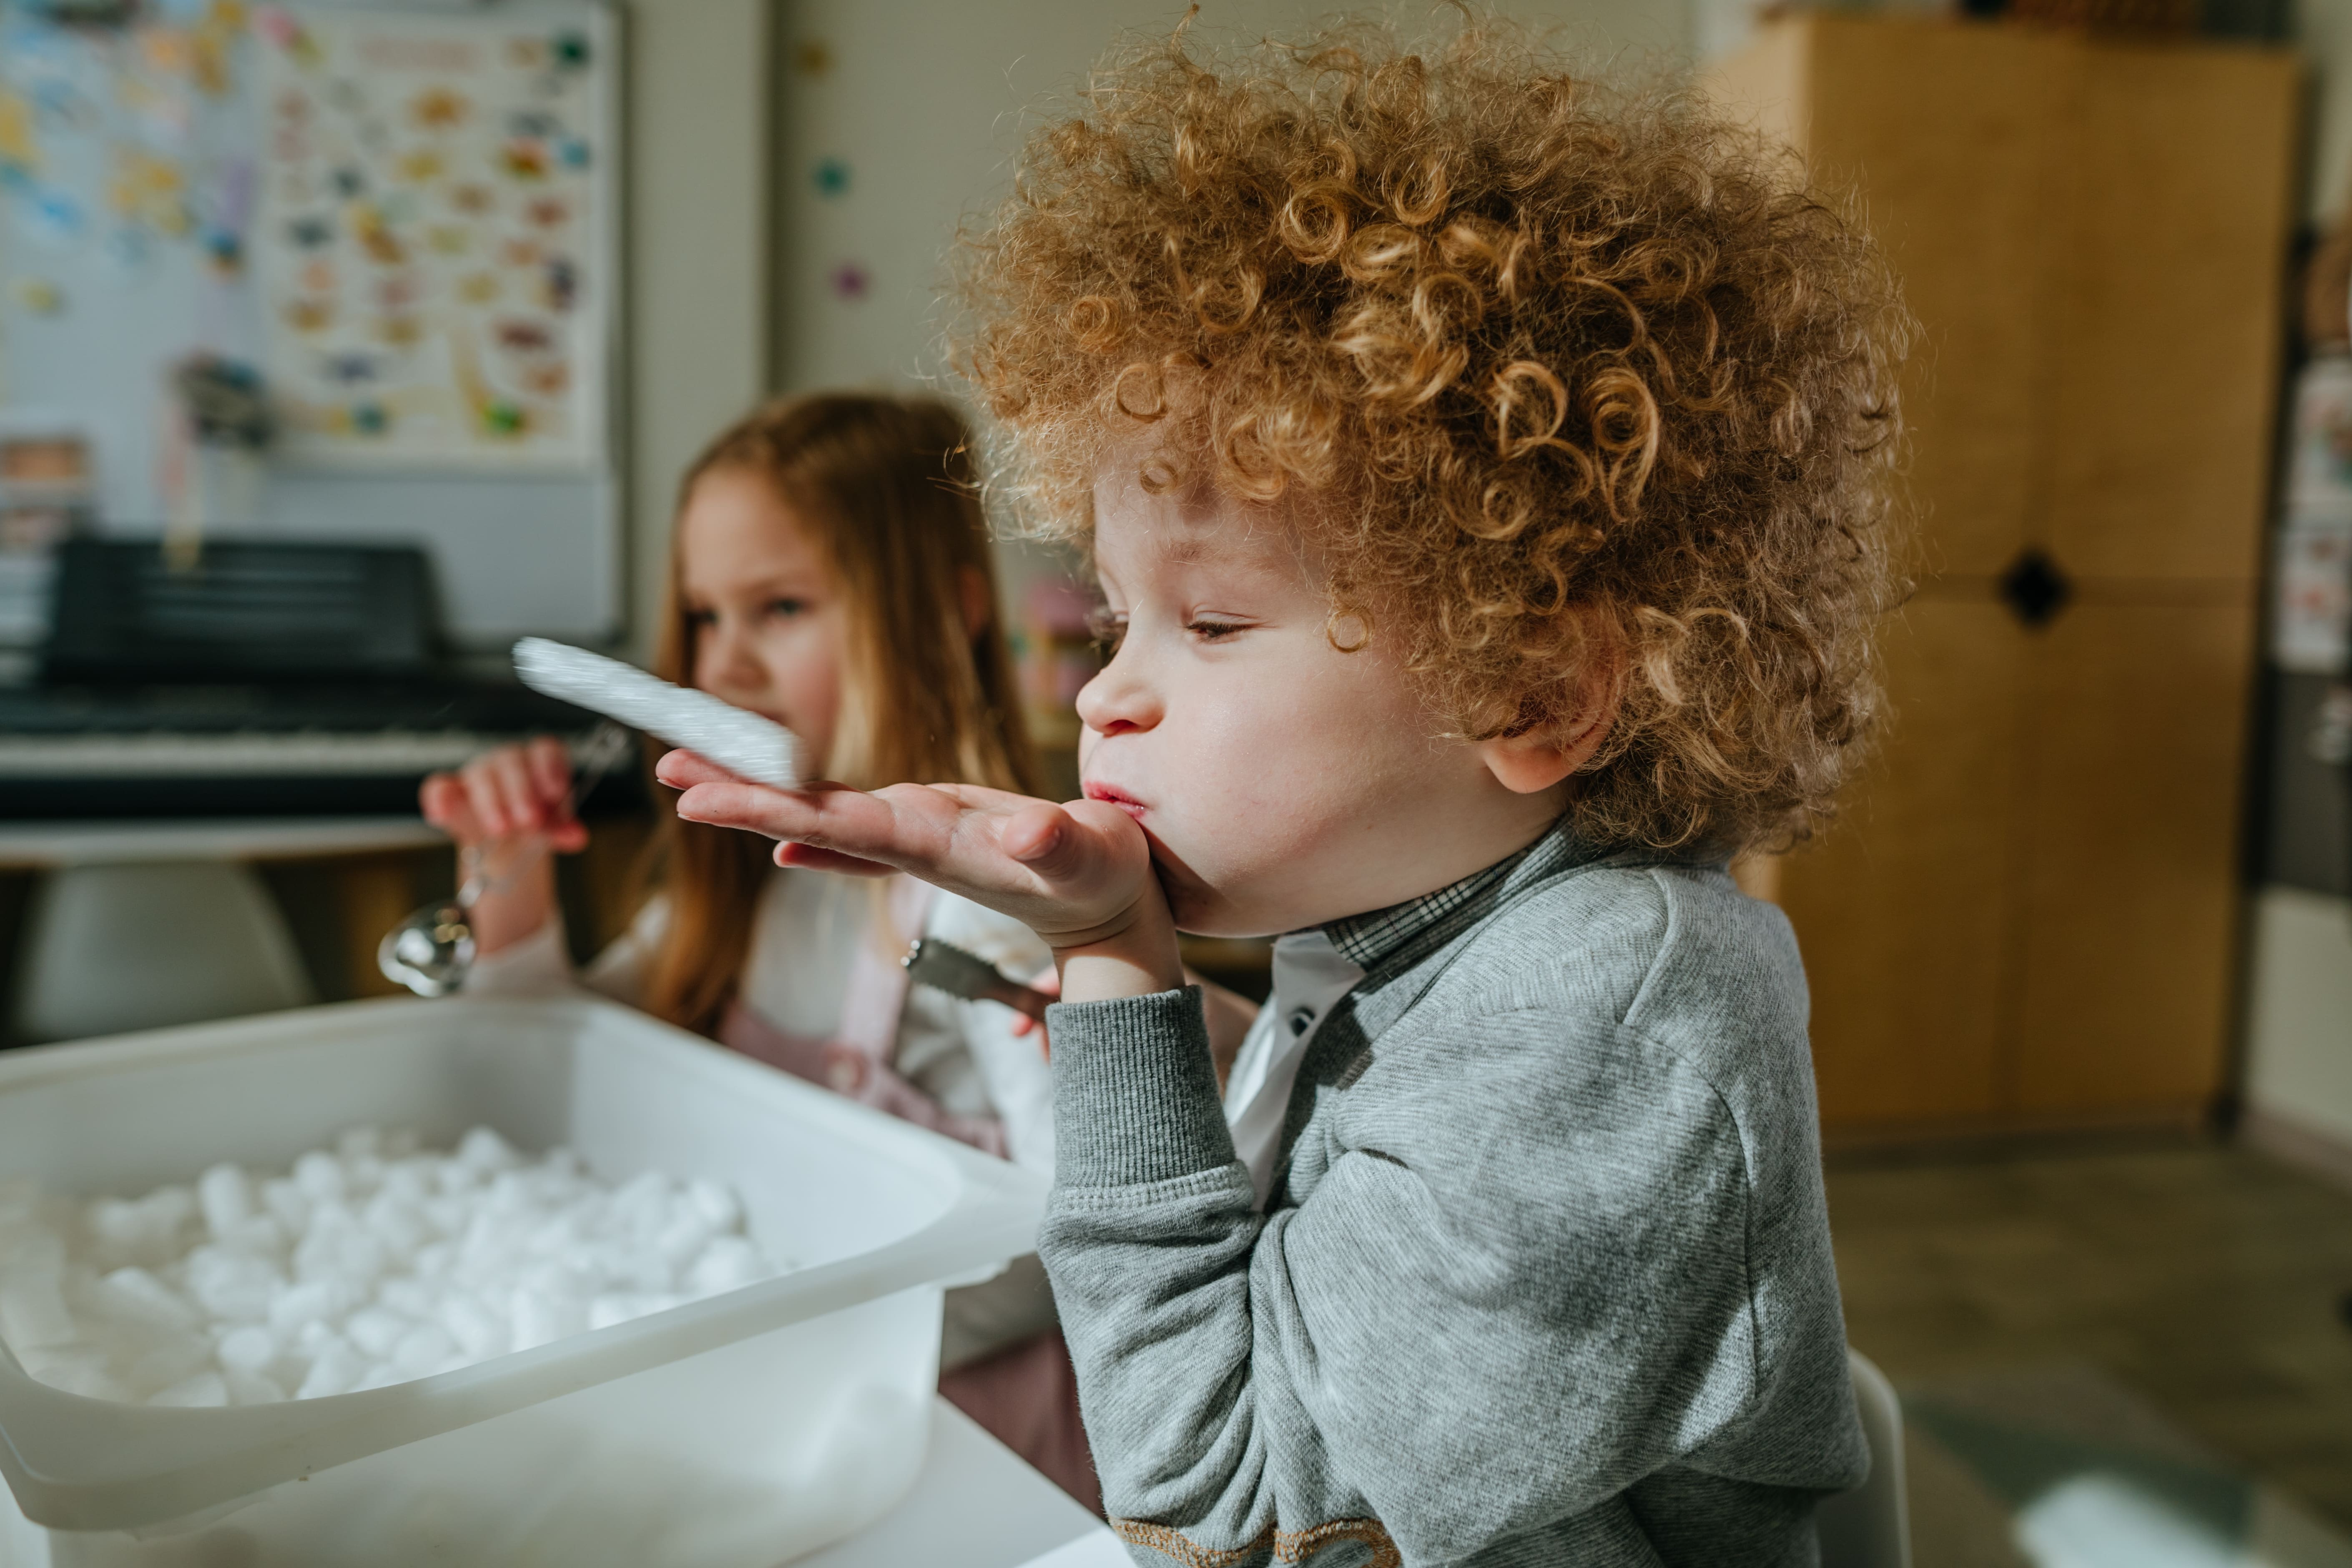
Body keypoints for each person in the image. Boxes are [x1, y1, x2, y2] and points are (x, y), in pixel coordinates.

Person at [658, 20, 1912, 1567]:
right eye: (1115, 617)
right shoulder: (1408, 926)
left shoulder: (1614, 1008)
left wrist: (1117, 971)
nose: (1103, 689)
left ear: (1530, 687)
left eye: (1215, 622)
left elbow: (1221, 1512)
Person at [419, 392, 1102, 1508]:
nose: (720, 667)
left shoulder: (987, 910)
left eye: (777, 608)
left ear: (942, 614)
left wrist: (781, 1345)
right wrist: (507, 871)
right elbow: (550, 1070)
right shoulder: (735, 892)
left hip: (959, 1446)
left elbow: (1090, 1235)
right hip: (776, 1404)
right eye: (702, 616)